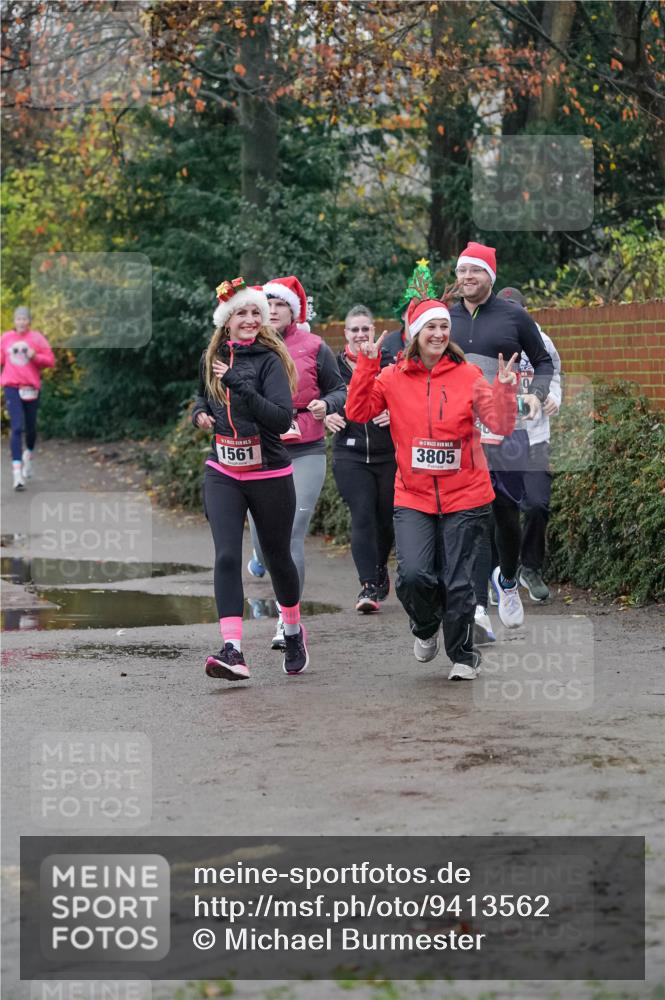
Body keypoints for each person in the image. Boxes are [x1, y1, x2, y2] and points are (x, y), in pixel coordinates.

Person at [346, 295, 518, 681]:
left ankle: (463, 655)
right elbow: (358, 412)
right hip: (414, 495)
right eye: (431, 328)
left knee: (458, 582)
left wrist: (506, 389)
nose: (439, 334)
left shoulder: (469, 375)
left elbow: (501, 424)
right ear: (414, 334)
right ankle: (425, 628)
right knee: (414, 576)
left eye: (444, 327)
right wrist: (367, 365)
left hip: (466, 495)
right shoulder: (391, 377)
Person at [192, 277, 309, 680]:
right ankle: (233, 650)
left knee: (277, 557)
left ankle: (292, 630)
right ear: (226, 321)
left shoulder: (269, 361)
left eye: (255, 312)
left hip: (269, 471)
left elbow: (280, 419)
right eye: (241, 312)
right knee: (226, 555)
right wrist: (199, 413)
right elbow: (200, 395)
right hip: (223, 470)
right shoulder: (211, 358)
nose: (250, 318)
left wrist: (238, 385)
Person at [448, 243, 554, 637]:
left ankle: (507, 579)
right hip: (459, 434)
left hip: (507, 432)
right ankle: (475, 608)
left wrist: (536, 395)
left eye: (475, 272)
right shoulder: (446, 319)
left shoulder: (514, 316)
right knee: (471, 517)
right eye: (462, 272)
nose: (467, 278)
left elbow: (543, 361)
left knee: (505, 516)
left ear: (490, 276)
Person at [247, 275, 346, 649]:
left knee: (291, 534)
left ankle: (287, 620)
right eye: (267, 305)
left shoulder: (315, 346)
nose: (273, 311)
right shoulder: (247, 346)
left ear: (295, 310)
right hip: (262, 451)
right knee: (263, 540)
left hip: (305, 448)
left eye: (280, 305)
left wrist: (328, 404)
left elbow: (340, 389)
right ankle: (259, 557)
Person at [325, 305, 396, 612]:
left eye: (365, 329)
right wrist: (325, 415)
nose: (360, 334)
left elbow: (410, 396)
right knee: (363, 514)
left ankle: (379, 568)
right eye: (354, 330)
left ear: (373, 330)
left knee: (386, 518)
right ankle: (367, 585)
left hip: (389, 454)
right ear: (346, 334)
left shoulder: (391, 363)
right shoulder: (334, 367)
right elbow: (320, 397)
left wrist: (394, 413)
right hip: (350, 453)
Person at [497, 287, 562, 601]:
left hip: (535, 438)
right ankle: (500, 573)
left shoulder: (543, 341)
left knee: (537, 504)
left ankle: (531, 568)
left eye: (516, 310)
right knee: (501, 512)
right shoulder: (490, 340)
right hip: (498, 440)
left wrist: (554, 399)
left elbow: (556, 375)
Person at [1, 306, 55, 490]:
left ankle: (28, 455)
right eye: (18, 319)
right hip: (12, 387)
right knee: (16, 427)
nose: (21, 322)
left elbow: (50, 360)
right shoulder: (6, 338)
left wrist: (36, 356)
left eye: (24, 319)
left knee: (30, 429)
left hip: (31, 388)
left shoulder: (37, 338)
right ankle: (17, 474)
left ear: (29, 322)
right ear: (14, 321)